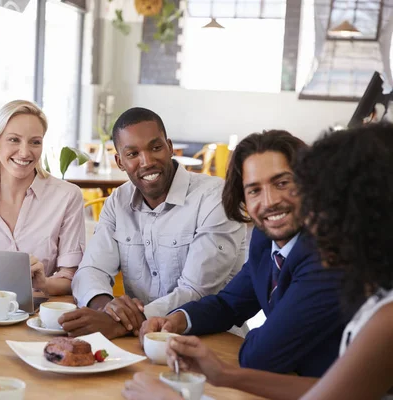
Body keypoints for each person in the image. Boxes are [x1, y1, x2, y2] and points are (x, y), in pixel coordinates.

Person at [123, 123, 393, 400]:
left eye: (323, 199)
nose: (313, 215)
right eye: (253, 190)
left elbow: (268, 356)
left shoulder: (378, 308)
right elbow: (337, 392)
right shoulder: (270, 242)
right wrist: (223, 373)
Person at [140, 130, 346, 376]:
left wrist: (267, 337)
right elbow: (230, 303)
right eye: (254, 190)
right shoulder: (265, 238)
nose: (269, 201)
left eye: (282, 183)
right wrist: (177, 320)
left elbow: (262, 357)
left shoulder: (327, 253)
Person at [62, 107, 246, 339]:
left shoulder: (215, 197)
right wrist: (106, 309)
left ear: (169, 147)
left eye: (155, 148)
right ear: (119, 161)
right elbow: (92, 269)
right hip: (135, 339)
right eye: (132, 154)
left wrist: (118, 323)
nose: (147, 161)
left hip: (210, 338)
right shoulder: (118, 202)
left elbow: (198, 291)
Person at [0, 100, 85, 296]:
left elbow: (72, 277)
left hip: (42, 315)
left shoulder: (67, 196)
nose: (25, 152)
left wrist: (43, 283)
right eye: (14, 140)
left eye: (35, 142)